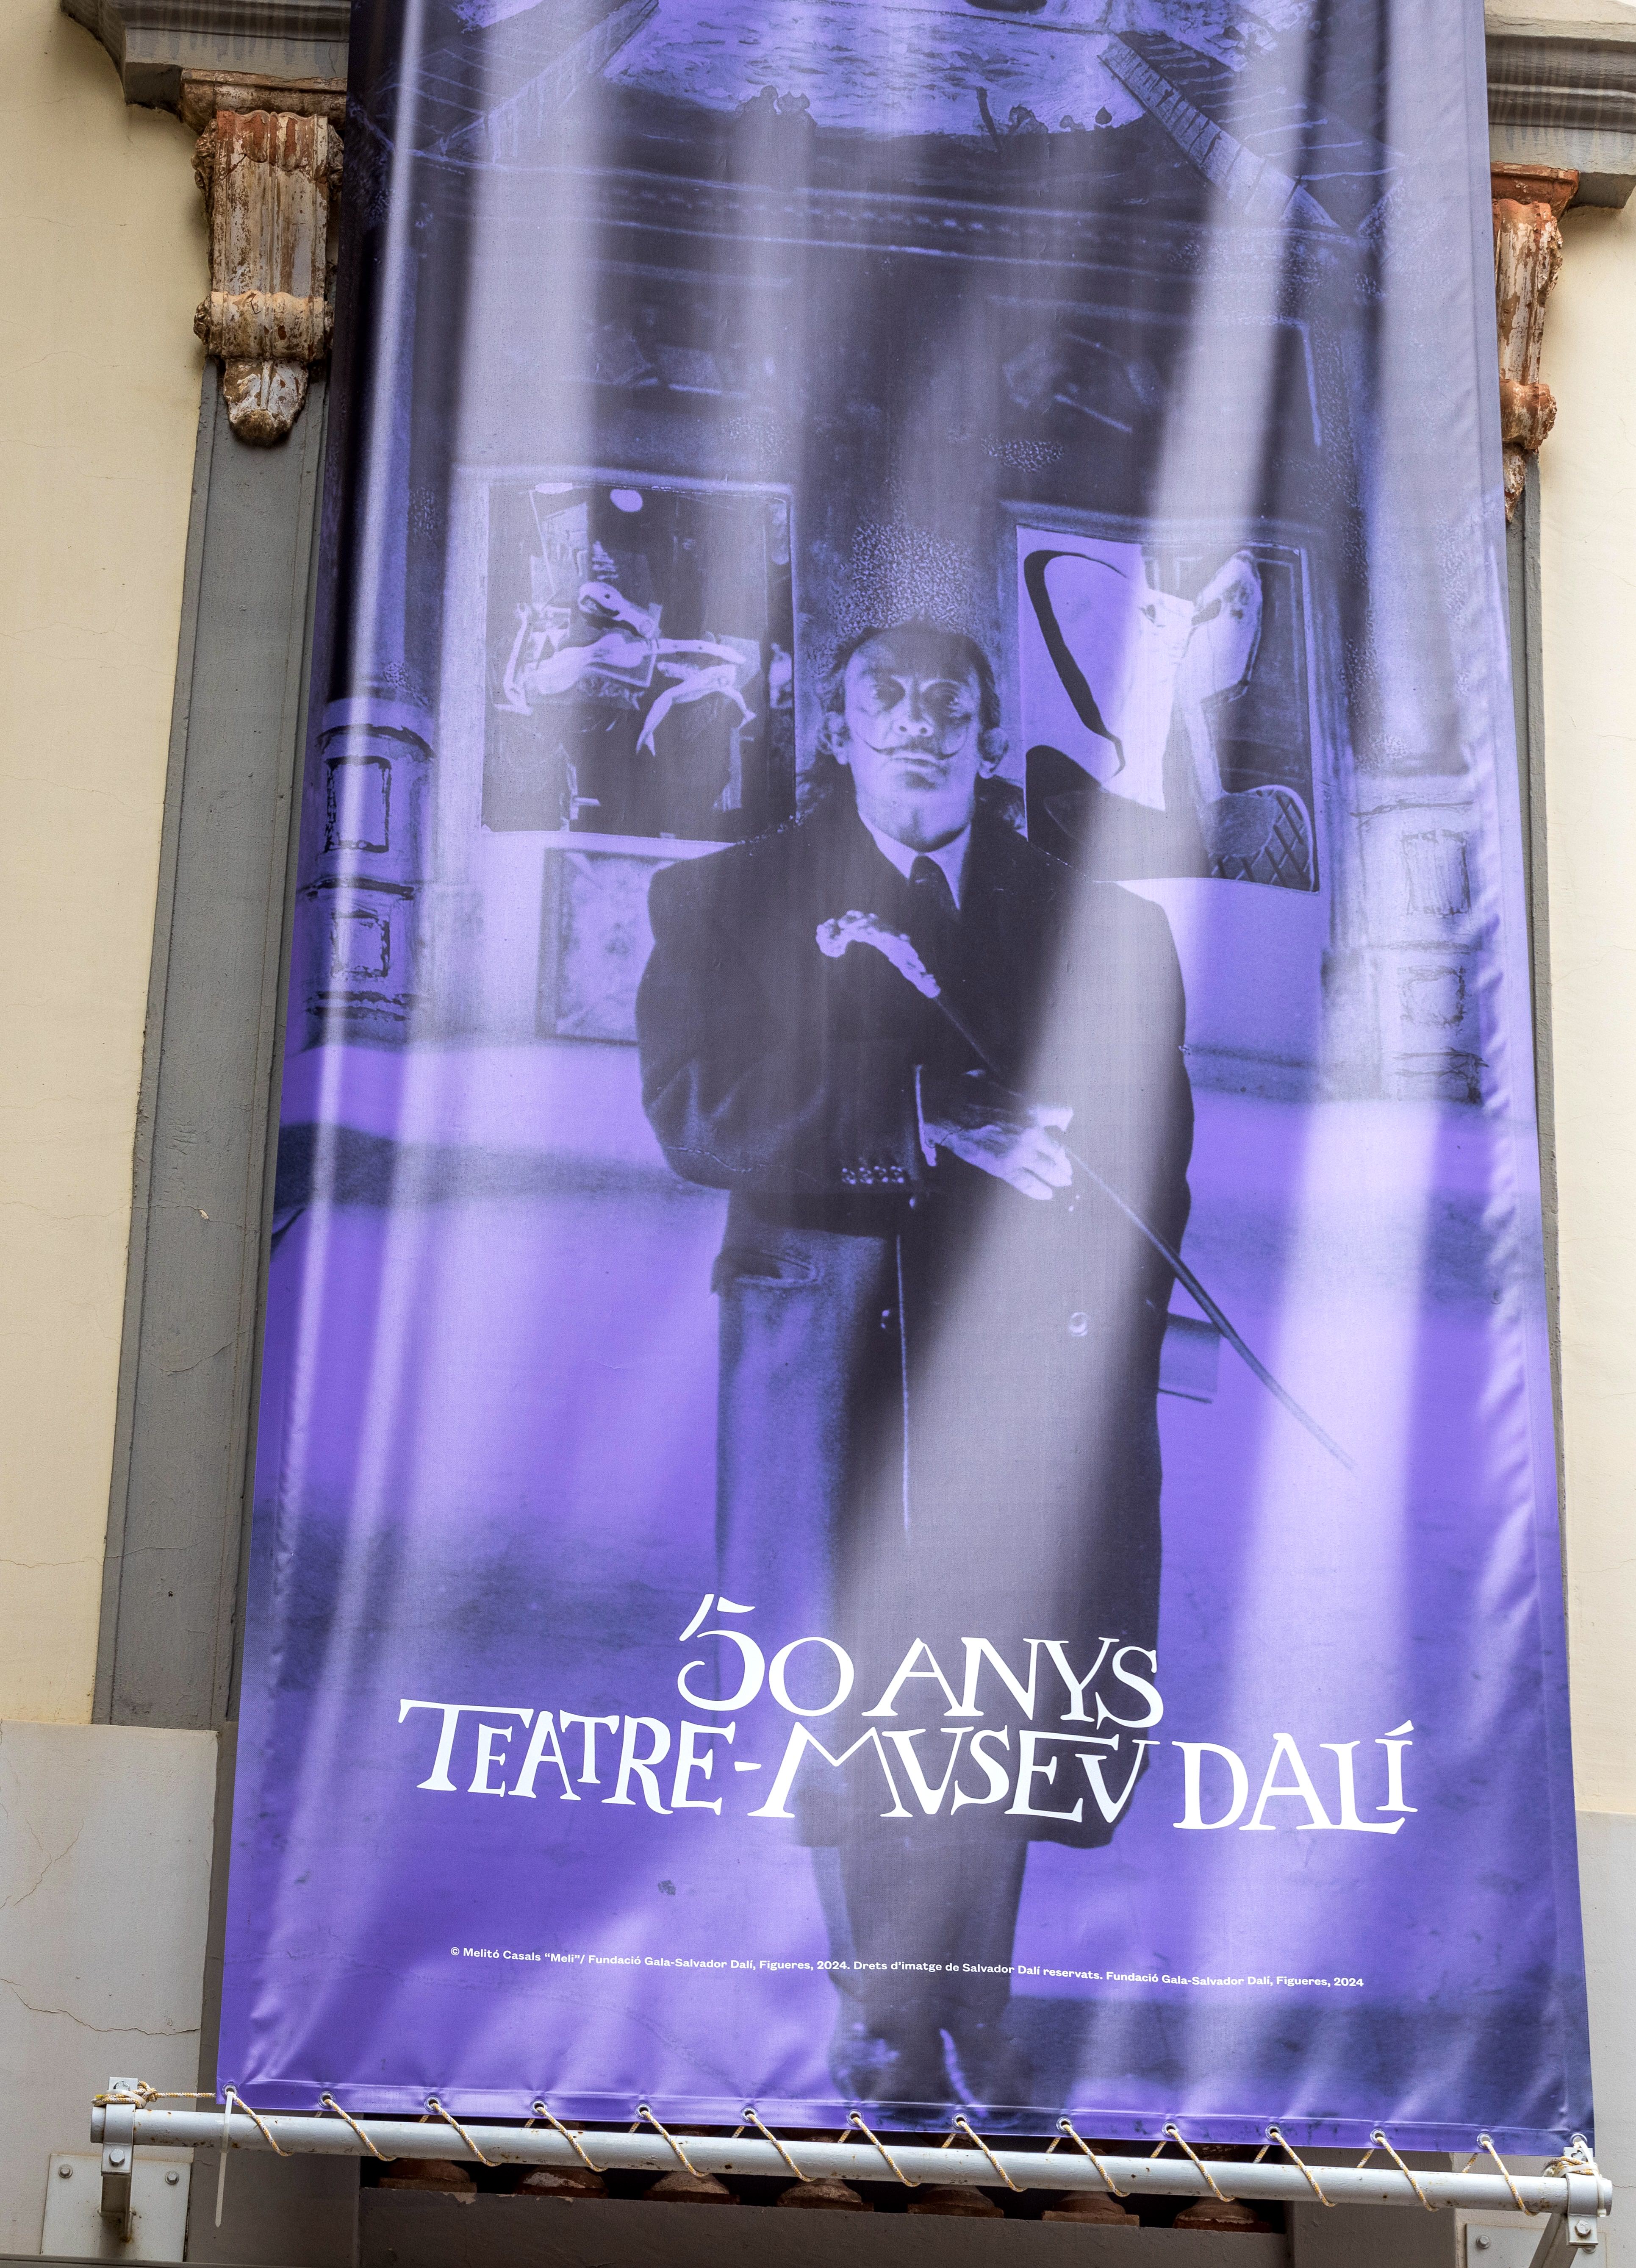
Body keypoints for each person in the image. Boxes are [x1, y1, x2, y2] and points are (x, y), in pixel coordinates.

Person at [635, 622, 1193, 2111]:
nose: (920, 723)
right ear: (839, 726)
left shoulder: (1097, 924)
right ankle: (884, 2011)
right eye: (886, 697)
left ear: (988, 731)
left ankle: (975, 1999)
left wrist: (1106, 1323)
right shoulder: (728, 898)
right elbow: (697, 1110)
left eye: (953, 702)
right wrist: (921, 1127)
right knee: (854, 1672)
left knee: (1002, 1672)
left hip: (1019, 1365)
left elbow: (1157, 1148)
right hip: (830, 1357)